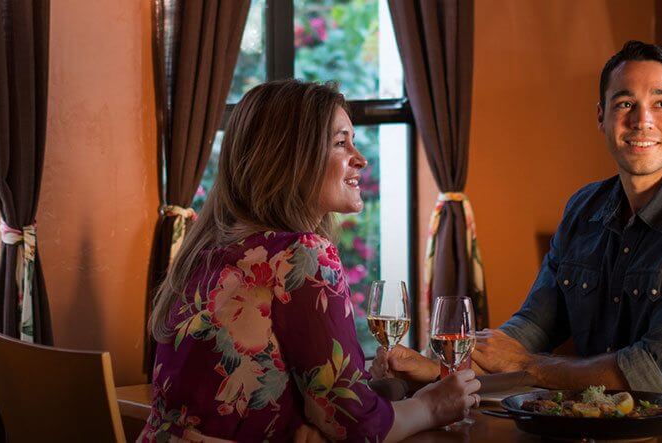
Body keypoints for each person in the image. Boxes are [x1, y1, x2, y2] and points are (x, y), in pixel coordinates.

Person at [376, 41, 662, 416]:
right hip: (603, 425)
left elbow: (656, 373)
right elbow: (533, 325)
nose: (642, 121)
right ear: (601, 116)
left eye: (661, 104)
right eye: (625, 103)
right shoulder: (585, 208)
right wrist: (443, 369)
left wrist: (529, 367)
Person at [140, 79, 480, 442]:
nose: (360, 159)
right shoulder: (300, 255)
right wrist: (431, 406)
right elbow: (357, 429)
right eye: (340, 143)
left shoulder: (204, 251)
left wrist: (371, 392)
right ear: (291, 157)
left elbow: (304, 402)